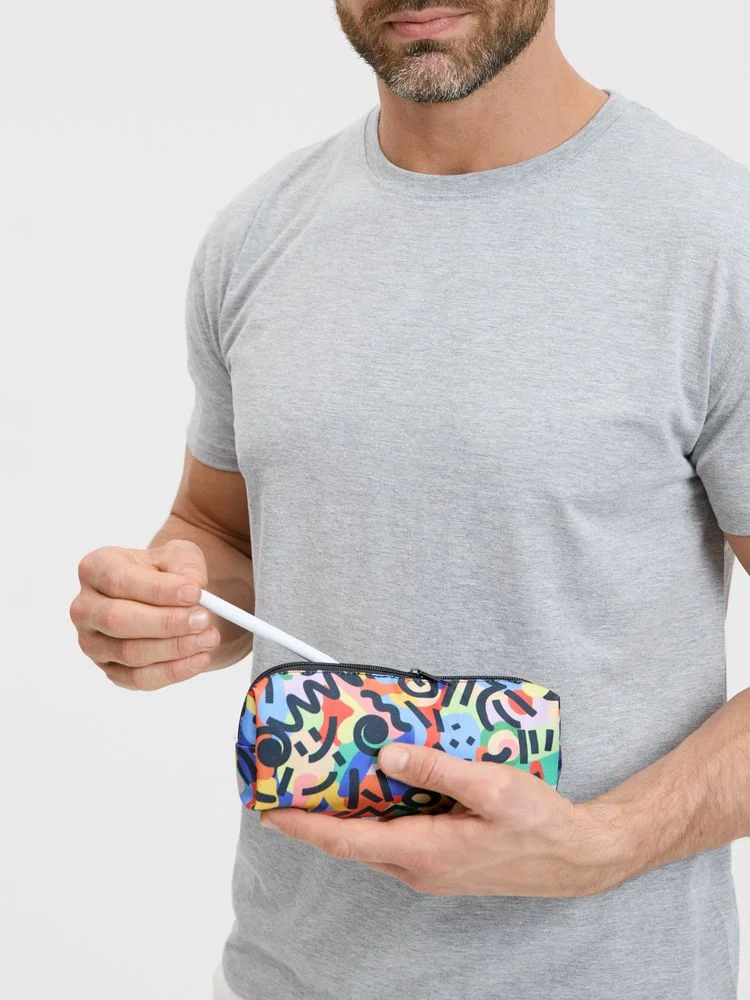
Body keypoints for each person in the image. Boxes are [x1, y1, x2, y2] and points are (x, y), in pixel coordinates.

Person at [68, 1, 750, 998]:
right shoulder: (258, 233)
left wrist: (608, 842)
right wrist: (166, 608)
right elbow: (217, 532)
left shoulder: (717, 240)